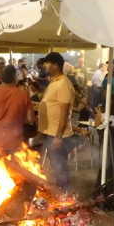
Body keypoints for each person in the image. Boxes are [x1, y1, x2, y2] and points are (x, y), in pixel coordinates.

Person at [38, 53, 76, 190]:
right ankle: (62, 193)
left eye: (47, 63)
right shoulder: (54, 82)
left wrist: (58, 136)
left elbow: (64, 112)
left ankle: (66, 196)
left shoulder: (63, 84)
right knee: (56, 167)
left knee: (60, 168)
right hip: (50, 133)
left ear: (56, 65)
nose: (45, 65)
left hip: (58, 135)